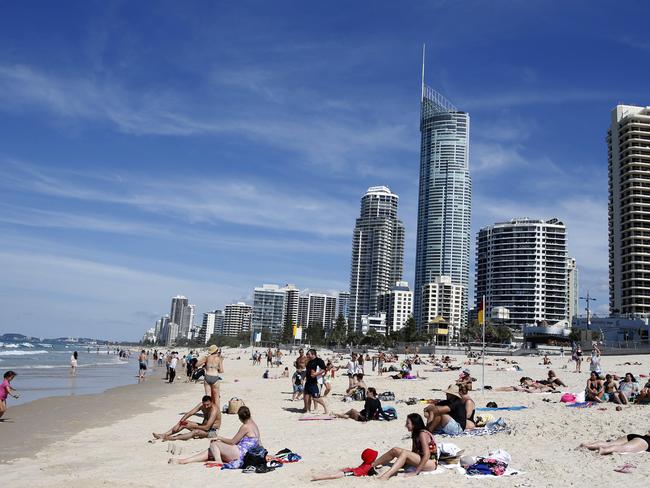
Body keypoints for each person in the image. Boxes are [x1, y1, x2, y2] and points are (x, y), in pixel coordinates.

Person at [169, 406, 260, 467]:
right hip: (246, 452)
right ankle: (184, 461)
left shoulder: (245, 426)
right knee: (211, 451)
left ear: (240, 418)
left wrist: (220, 438)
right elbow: (259, 443)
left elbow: (233, 442)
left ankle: (218, 461)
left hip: (241, 453)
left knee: (214, 443)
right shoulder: (254, 425)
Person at [372, 413, 438, 479]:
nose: (406, 425)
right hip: (422, 459)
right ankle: (372, 465)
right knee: (395, 450)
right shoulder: (415, 433)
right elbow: (414, 452)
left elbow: (427, 455)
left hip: (431, 463)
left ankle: (386, 476)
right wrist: (403, 463)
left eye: (407, 423)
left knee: (405, 453)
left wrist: (416, 472)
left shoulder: (422, 434)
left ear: (414, 424)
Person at [153, 395, 219, 441]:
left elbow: (207, 427)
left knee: (195, 432)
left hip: (212, 431)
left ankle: (173, 438)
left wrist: (193, 427)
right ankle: (163, 435)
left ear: (211, 402)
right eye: (205, 404)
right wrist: (179, 423)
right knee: (185, 422)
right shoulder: (202, 405)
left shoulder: (214, 410)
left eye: (208, 404)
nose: (206, 406)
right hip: (203, 427)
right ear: (202, 402)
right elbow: (189, 413)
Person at [311, 448, 378, 481]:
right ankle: (319, 477)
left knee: (336, 472)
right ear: (371, 459)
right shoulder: (370, 467)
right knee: (334, 476)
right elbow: (375, 474)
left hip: (352, 470)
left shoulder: (365, 463)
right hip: (352, 473)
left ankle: (320, 474)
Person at [303, 349, 330, 414]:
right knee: (307, 396)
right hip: (308, 381)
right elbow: (307, 371)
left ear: (313, 354)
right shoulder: (309, 362)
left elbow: (324, 369)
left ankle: (325, 405)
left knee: (315, 398)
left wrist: (316, 374)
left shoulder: (319, 361)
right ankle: (308, 410)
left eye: (309, 354)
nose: (308, 355)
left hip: (316, 382)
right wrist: (303, 378)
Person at [579, 433, 650, 455]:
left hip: (636, 436)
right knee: (622, 448)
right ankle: (604, 451)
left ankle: (588, 445)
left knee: (610, 443)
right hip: (645, 441)